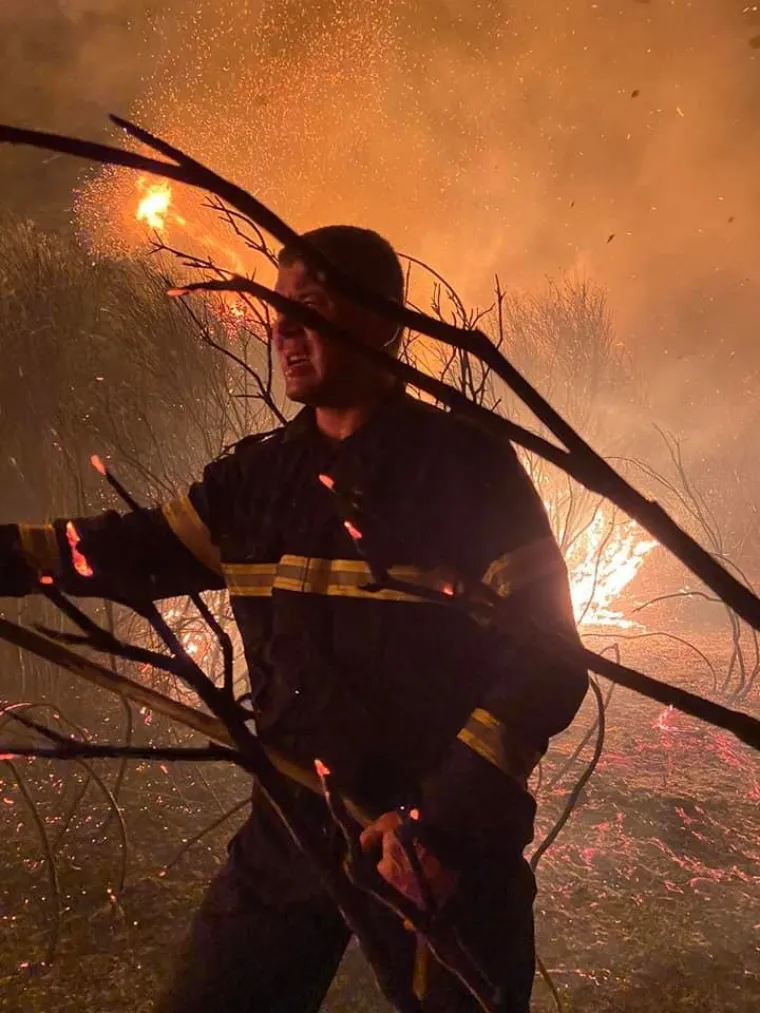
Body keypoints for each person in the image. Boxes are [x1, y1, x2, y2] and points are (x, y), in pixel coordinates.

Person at [0, 225, 588, 1012]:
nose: (282, 328)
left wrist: (440, 823)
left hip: (441, 851)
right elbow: (129, 548)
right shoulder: (258, 479)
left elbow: (548, 662)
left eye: (309, 306)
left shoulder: (467, 470)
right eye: (276, 307)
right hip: (293, 830)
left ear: (384, 322)